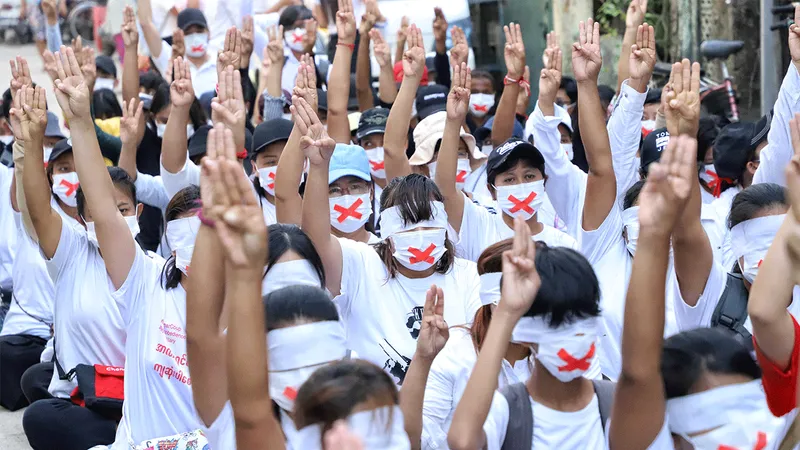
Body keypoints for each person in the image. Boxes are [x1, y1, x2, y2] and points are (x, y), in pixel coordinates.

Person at [297, 95, 481, 385]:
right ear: (386, 230)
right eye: (407, 225)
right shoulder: (362, 265)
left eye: (428, 224)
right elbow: (316, 240)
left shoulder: (469, 277)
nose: (419, 235)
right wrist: (318, 169)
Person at [20, 77, 131, 449]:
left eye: (122, 211)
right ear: (84, 220)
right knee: (38, 402)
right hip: (86, 395)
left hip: (134, 399)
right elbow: (37, 209)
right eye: (102, 213)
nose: (112, 220)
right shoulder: (73, 251)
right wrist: (32, 143)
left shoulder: (152, 265)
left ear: (138, 213)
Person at [447, 217, 623, 450]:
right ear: (526, 331)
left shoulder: (619, 406)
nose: (573, 336)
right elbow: (463, 441)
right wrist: (507, 313)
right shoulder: (508, 411)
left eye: (582, 320)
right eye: (555, 323)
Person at [435, 62, 576, 265]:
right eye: (509, 179)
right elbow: (445, 190)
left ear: (543, 182)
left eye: (529, 176)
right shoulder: (480, 226)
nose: (520, 185)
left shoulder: (565, 245)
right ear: (492, 191)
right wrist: (453, 122)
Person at [421, 239, 537, 449]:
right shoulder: (456, 350)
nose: (518, 309)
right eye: (506, 300)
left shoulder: (557, 355)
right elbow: (423, 434)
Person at [324, 144, 380, 244]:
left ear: (371, 192)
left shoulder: (386, 254)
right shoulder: (311, 253)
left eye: (354, 187)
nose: (346, 197)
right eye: (334, 190)